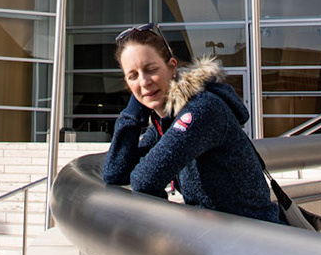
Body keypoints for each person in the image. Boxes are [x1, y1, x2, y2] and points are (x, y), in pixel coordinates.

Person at [101, 23, 286, 225]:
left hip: (254, 235)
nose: (144, 82)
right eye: (133, 76)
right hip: (222, 232)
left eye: (151, 70)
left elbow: (144, 180)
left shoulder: (201, 110)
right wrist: (133, 112)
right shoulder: (169, 118)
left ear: (172, 67)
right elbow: (115, 172)